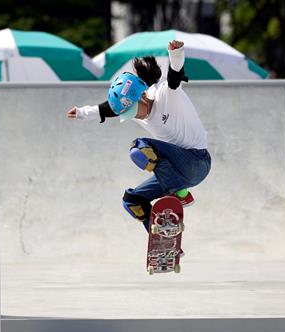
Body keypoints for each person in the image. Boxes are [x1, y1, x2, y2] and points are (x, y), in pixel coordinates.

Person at [67, 40, 211, 232]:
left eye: (135, 110)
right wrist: (81, 112)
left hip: (197, 161)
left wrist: (176, 54)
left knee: (140, 148)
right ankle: (164, 237)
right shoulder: (131, 105)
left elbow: (175, 75)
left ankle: (180, 195)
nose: (136, 116)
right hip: (176, 172)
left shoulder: (166, 94)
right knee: (133, 201)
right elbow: (108, 108)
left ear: (143, 95)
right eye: (130, 114)